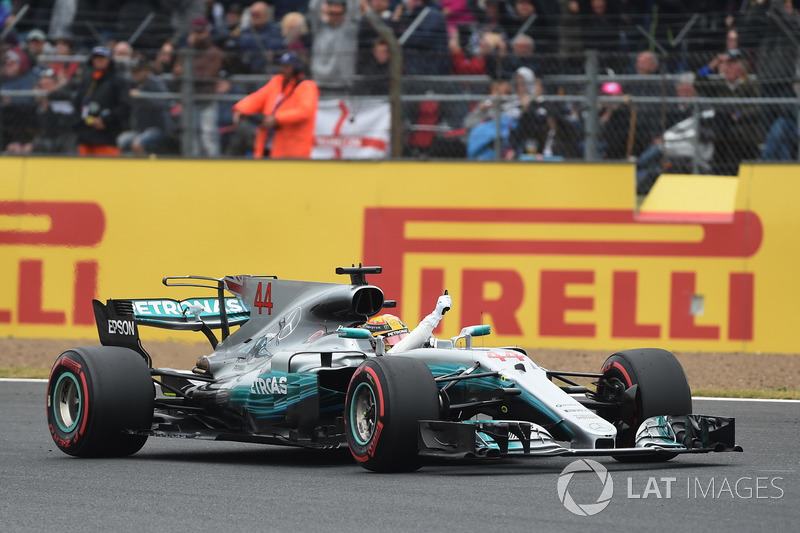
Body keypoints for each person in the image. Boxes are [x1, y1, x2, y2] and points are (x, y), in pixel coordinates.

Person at [232, 51, 319, 158]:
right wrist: (241, 108)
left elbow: (304, 111)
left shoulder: (307, 86)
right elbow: (258, 97)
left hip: (293, 147)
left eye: (287, 66)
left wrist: (276, 119)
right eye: (282, 65)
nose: (283, 69)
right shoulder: (277, 81)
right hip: (268, 143)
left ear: (296, 67)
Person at [173, 16, 225, 156]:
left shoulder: (215, 52)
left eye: (201, 31)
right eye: (196, 31)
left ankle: (214, 168)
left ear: (207, 32)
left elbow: (208, 75)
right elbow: (176, 73)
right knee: (191, 138)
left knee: (208, 137)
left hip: (207, 99)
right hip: (189, 100)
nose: (198, 34)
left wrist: (187, 72)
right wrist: (186, 73)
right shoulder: (186, 51)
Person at [73, 45, 131, 156]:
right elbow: (78, 103)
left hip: (108, 136)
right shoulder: (86, 80)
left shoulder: (118, 81)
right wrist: (86, 121)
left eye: (103, 58)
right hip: (85, 136)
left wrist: (106, 120)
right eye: (96, 57)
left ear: (109, 60)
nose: (99, 60)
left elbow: (124, 106)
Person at [362, 293, 452, 353]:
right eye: (391, 340)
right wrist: (436, 315)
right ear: (375, 343)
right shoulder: (387, 356)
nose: (399, 342)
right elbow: (402, 348)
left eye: (401, 337)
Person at [117, 60, 172, 156]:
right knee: (119, 141)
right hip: (138, 129)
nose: (135, 75)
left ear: (146, 71)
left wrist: (142, 96)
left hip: (157, 128)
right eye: (133, 72)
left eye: (137, 72)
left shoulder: (156, 83)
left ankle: (145, 169)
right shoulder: (130, 85)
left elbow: (163, 103)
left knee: (137, 144)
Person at [308, 0, 361, 95]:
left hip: (341, 86)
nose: (335, 16)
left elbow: (354, 10)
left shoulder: (349, 31)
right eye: (332, 13)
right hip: (319, 84)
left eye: (338, 13)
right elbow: (313, 9)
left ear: (344, 14)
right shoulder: (319, 29)